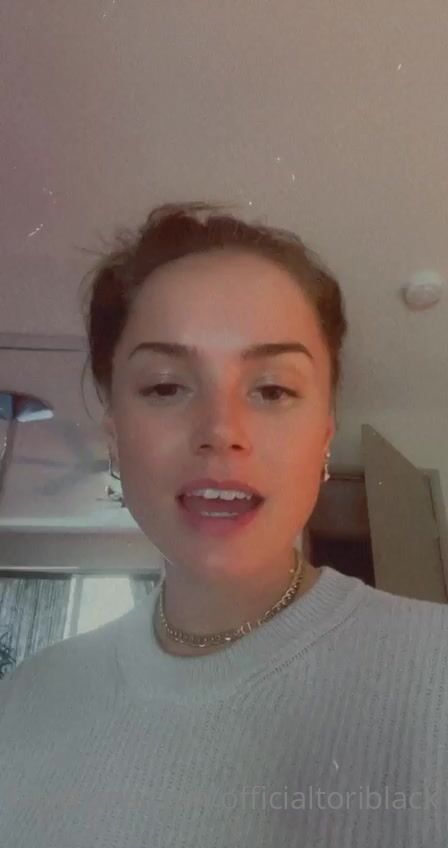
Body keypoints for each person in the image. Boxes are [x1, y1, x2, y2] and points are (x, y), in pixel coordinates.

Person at [0, 201, 447, 846]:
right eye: (165, 387)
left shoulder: (433, 674)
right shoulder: (26, 701)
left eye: (272, 390)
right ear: (115, 435)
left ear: (324, 435)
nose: (221, 431)